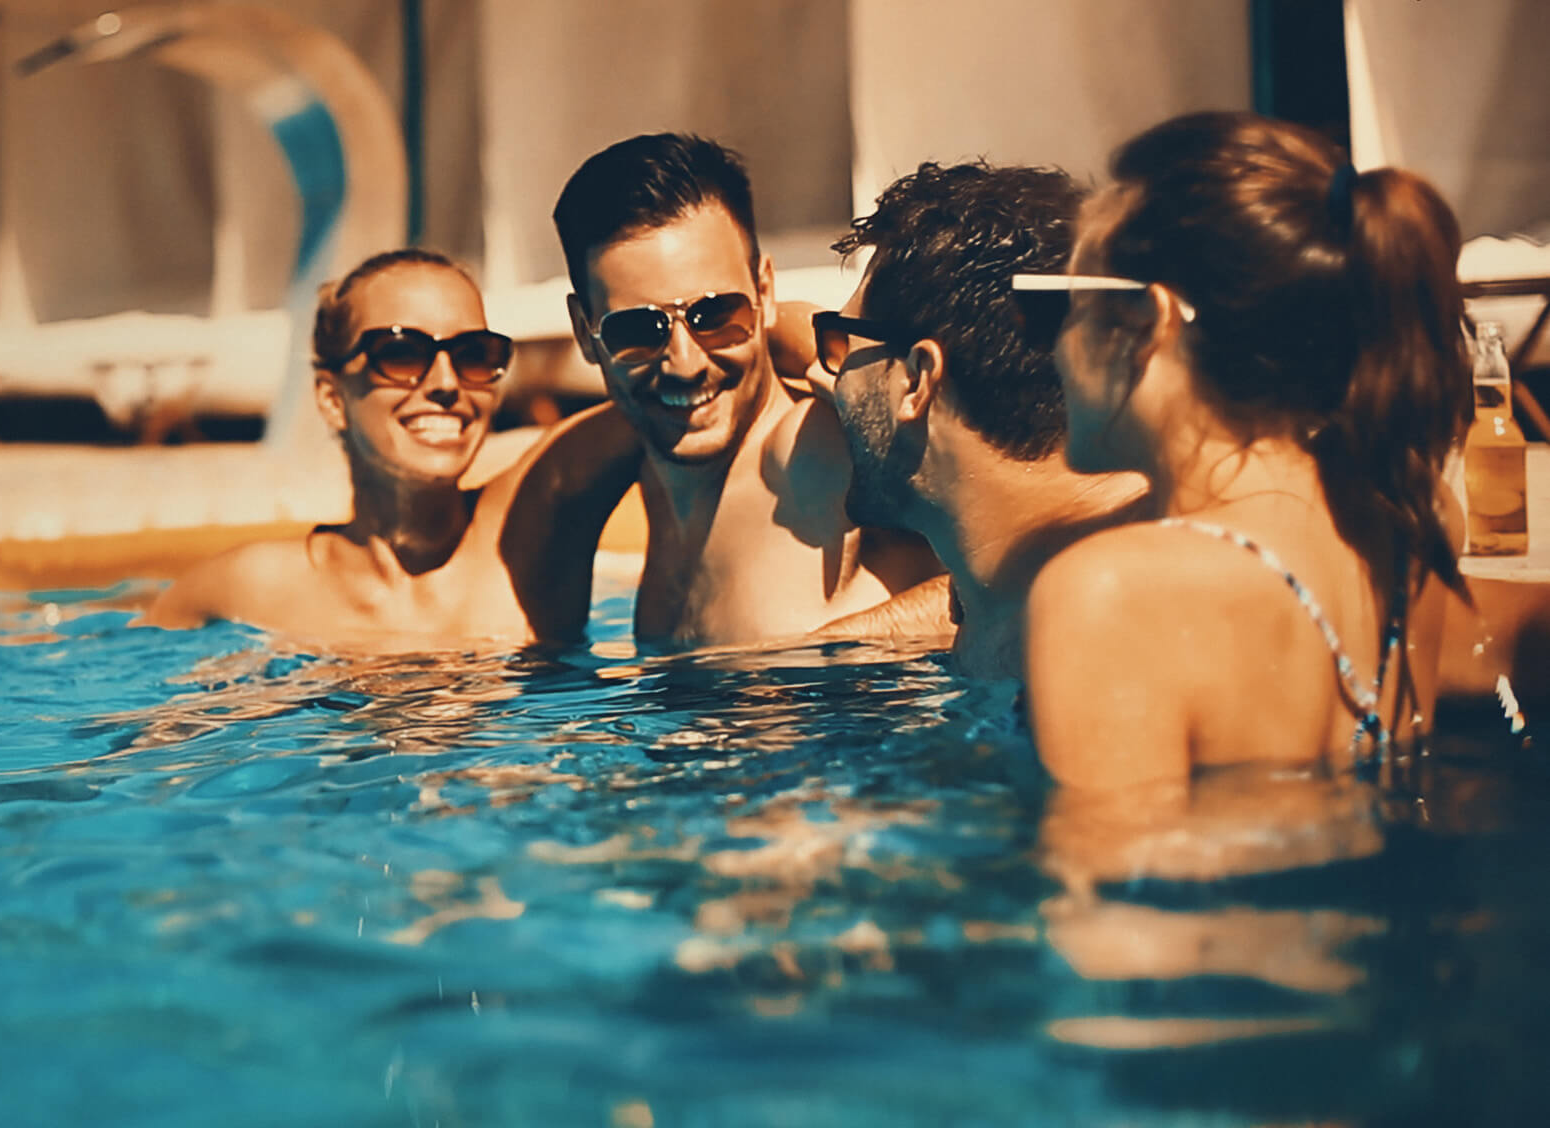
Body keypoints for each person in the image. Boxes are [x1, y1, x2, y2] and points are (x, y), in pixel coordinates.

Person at [0, 249, 640, 666]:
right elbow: (85, 636)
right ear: (331, 394)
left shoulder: (541, 511)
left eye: (475, 353)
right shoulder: (258, 586)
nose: (447, 383)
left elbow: (704, 377)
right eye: (402, 352)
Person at [1021, 111, 1471, 790]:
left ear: (1148, 323)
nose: (1052, 347)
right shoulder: (1410, 519)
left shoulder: (1110, 592)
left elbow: (1112, 890)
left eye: (1062, 308)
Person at [552, 132, 943, 647]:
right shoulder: (645, 472)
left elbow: (1019, 562)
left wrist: (830, 651)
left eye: (714, 314)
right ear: (586, 332)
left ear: (764, 292)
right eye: (638, 330)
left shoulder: (824, 447)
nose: (684, 364)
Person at [815, 161, 1151, 676]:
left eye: (841, 344)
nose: (829, 374)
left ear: (916, 380)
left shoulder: (1092, 632)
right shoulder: (1006, 594)